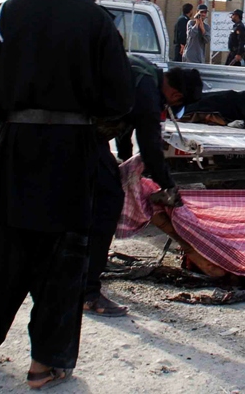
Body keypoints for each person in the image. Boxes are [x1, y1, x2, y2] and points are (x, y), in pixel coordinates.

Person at [0, 0, 134, 389]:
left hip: (16, 150)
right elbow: (119, 99)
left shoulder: (15, 8)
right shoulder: (98, 23)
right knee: (61, 264)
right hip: (69, 156)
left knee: (1, 255)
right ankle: (44, 366)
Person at [86, 57, 203, 317]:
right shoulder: (149, 93)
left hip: (74, 133)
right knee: (108, 203)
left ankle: (77, 271)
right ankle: (88, 291)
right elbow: (150, 148)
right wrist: (169, 186)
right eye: (176, 104)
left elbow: (124, 126)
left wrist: (123, 161)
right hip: (79, 138)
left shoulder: (141, 69)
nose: (170, 107)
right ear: (175, 93)